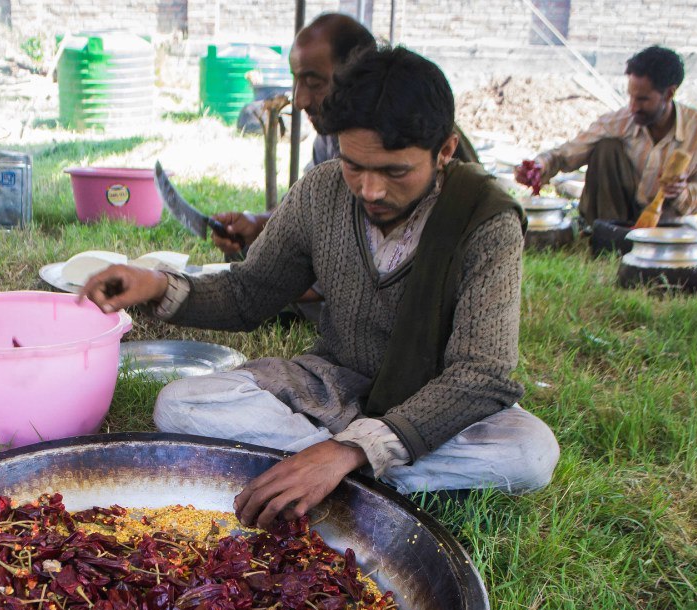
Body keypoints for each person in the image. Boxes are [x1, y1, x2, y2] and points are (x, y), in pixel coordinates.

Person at [82, 47, 560, 528]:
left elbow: (481, 375)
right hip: (332, 387)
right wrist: (158, 285)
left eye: (394, 171)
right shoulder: (321, 190)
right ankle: (356, 477)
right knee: (181, 404)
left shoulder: (486, 218)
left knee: (530, 452)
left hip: (435, 408)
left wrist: (349, 449)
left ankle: (330, 469)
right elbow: (250, 293)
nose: (369, 190)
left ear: (446, 150)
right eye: (355, 164)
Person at [210, 13, 479, 257]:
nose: (299, 99)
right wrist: (258, 224)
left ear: (360, 74)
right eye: (296, 80)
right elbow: (310, 215)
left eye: (314, 83)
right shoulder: (330, 138)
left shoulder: (425, 137)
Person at [516, 45, 697, 225]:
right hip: (616, 216)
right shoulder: (619, 121)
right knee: (607, 147)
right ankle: (608, 232)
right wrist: (539, 166)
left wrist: (681, 193)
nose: (633, 107)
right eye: (631, 96)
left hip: (668, 221)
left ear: (669, 94)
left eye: (642, 99)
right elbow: (567, 153)